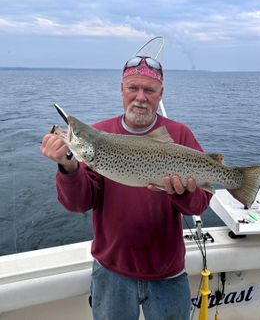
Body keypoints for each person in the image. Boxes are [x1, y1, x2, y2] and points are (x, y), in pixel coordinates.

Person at [41, 55, 212, 320]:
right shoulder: (99, 135)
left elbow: (200, 203)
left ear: (160, 94)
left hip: (167, 273)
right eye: (133, 88)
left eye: (149, 90)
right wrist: (68, 166)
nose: (140, 97)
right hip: (111, 272)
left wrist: (185, 193)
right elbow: (79, 203)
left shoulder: (180, 135)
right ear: (121, 90)